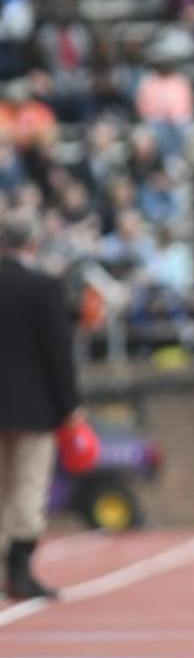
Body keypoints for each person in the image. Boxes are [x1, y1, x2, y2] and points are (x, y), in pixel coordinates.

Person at [0, 213, 83, 600]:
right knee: (28, 486)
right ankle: (18, 571)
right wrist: (70, 405)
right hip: (35, 407)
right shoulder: (44, 287)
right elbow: (57, 351)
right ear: (33, 243)